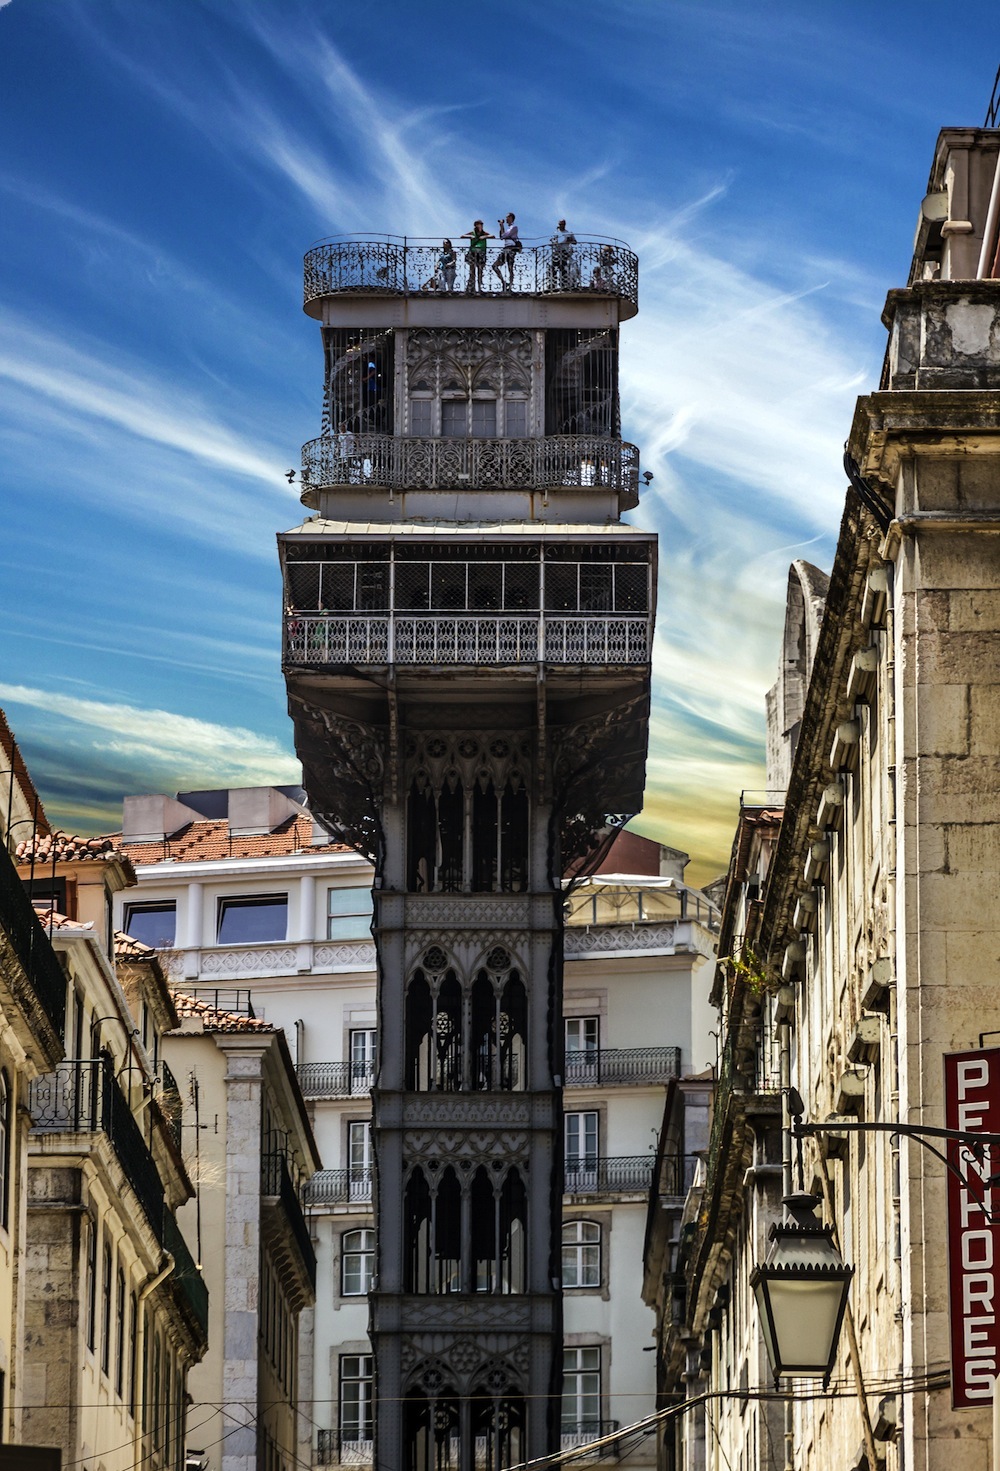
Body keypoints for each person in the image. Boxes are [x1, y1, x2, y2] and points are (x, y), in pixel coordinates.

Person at [461, 220, 493, 293]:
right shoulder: (473, 233)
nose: (480, 226)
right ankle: (472, 287)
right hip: (473, 253)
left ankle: (479, 288)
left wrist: (484, 236)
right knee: (472, 271)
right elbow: (462, 236)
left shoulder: (484, 233)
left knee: (480, 271)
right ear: (476, 225)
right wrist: (470, 236)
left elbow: (493, 236)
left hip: (481, 253)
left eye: (481, 224)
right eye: (479, 224)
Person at [492, 212, 520, 290]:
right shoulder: (509, 228)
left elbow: (504, 235)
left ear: (511, 218)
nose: (506, 219)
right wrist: (501, 226)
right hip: (506, 249)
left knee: (510, 268)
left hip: (511, 249)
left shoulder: (514, 227)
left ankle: (510, 286)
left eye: (507, 217)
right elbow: (502, 236)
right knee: (494, 266)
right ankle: (503, 282)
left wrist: (502, 228)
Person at [550, 219, 577, 289]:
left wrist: (568, 240)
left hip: (564, 252)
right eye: (560, 224)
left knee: (563, 268)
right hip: (556, 252)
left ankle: (563, 284)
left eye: (562, 224)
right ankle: (553, 285)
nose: (561, 226)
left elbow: (575, 242)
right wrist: (555, 242)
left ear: (564, 224)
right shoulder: (555, 232)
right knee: (554, 268)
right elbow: (551, 241)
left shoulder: (568, 233)